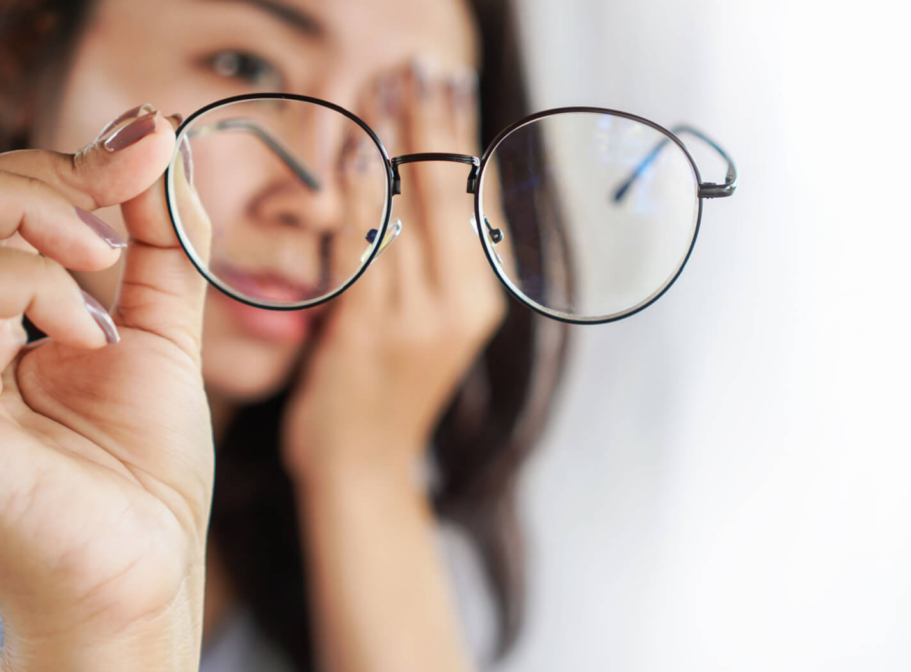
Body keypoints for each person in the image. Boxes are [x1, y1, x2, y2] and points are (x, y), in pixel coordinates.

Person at [0, 0, 569, 670]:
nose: (321, 200)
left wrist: (365, 467)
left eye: (397, 118)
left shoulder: (365, 571)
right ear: (22, 62)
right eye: (246, 67)